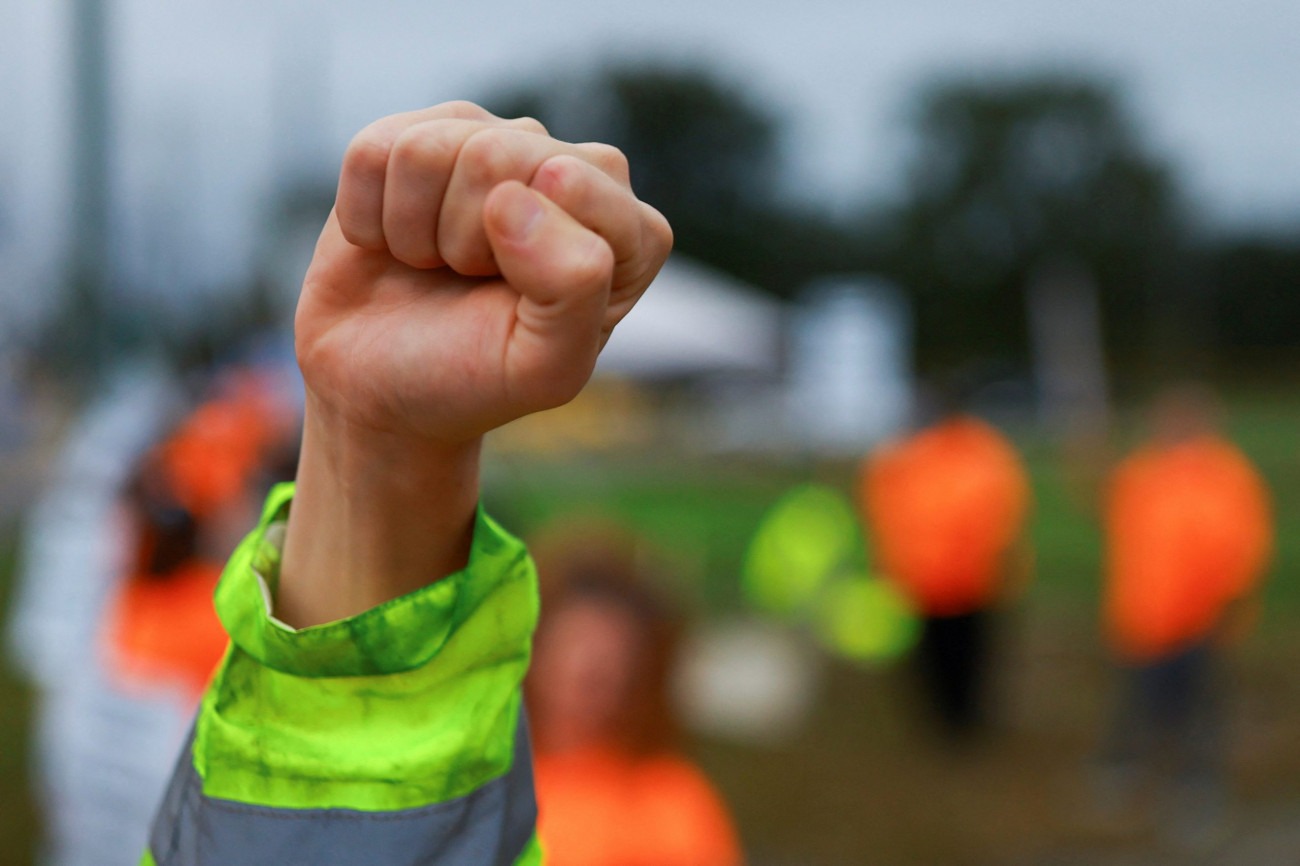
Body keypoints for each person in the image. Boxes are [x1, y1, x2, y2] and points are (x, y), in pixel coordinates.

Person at [141, 101, 673, 865]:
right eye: (581, 656)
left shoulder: (670, 806)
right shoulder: (516, 775)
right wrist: (375, 440)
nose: (591, 679)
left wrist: (379, 443)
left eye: (611, 667)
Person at [1096, 387, 1273, 842]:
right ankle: (1126, 773)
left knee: (1199, 711)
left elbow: (1246, 542)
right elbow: (1113, 514)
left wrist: (1231, 597)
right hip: (1142, 617)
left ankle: (1197, 790)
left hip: (1199, 620)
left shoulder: (1228, 476)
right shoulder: (1140, 471)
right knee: (1138, 703)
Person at [527, 540, 741, 866]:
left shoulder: (671, 800)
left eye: (612, 656)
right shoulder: (477, 784)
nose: (589, 670)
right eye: (574, 644)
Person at [859, 410, 1032, 738]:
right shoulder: (981, 453)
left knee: (953, 653)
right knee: (956, 653)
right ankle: (954, 720)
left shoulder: (915, 456)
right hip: (952, 578)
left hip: (952, 577)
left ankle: (956, 719)